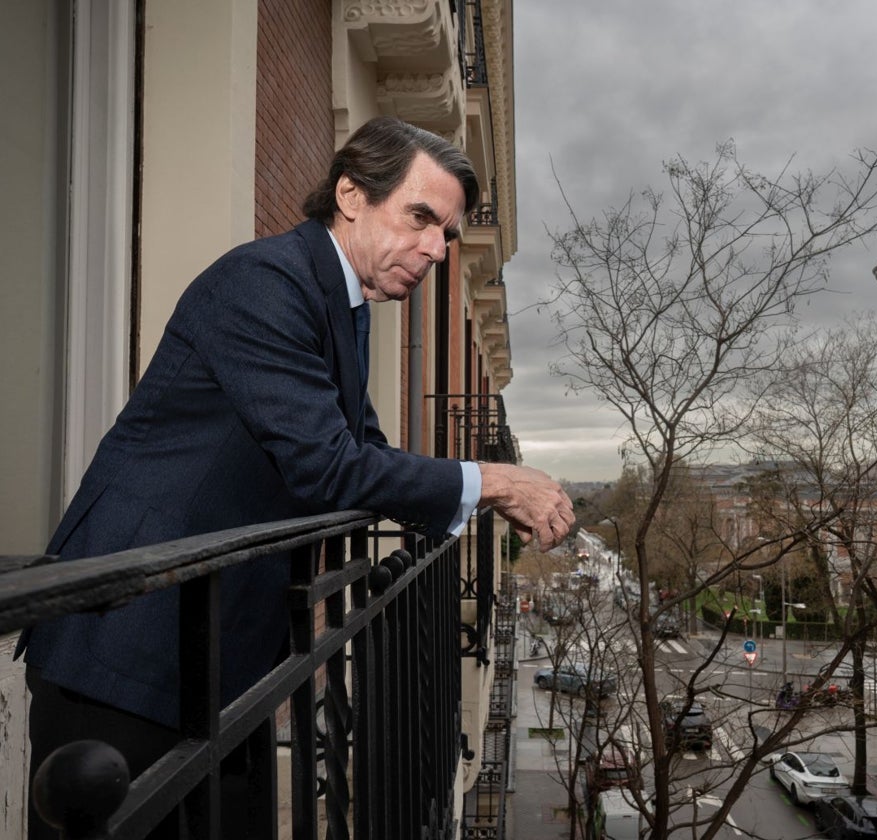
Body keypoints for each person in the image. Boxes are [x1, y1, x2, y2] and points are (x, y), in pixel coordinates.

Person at [19, 117, 574, 838]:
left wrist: (480, 488)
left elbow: (362, 447)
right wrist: (494, 481)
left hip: (218, 656)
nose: (437, 248)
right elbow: (329, 465)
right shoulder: (264, 282)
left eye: (446, 233)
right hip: (127, 647)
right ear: (351, 194)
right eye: (421, 217)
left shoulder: (341, 303)